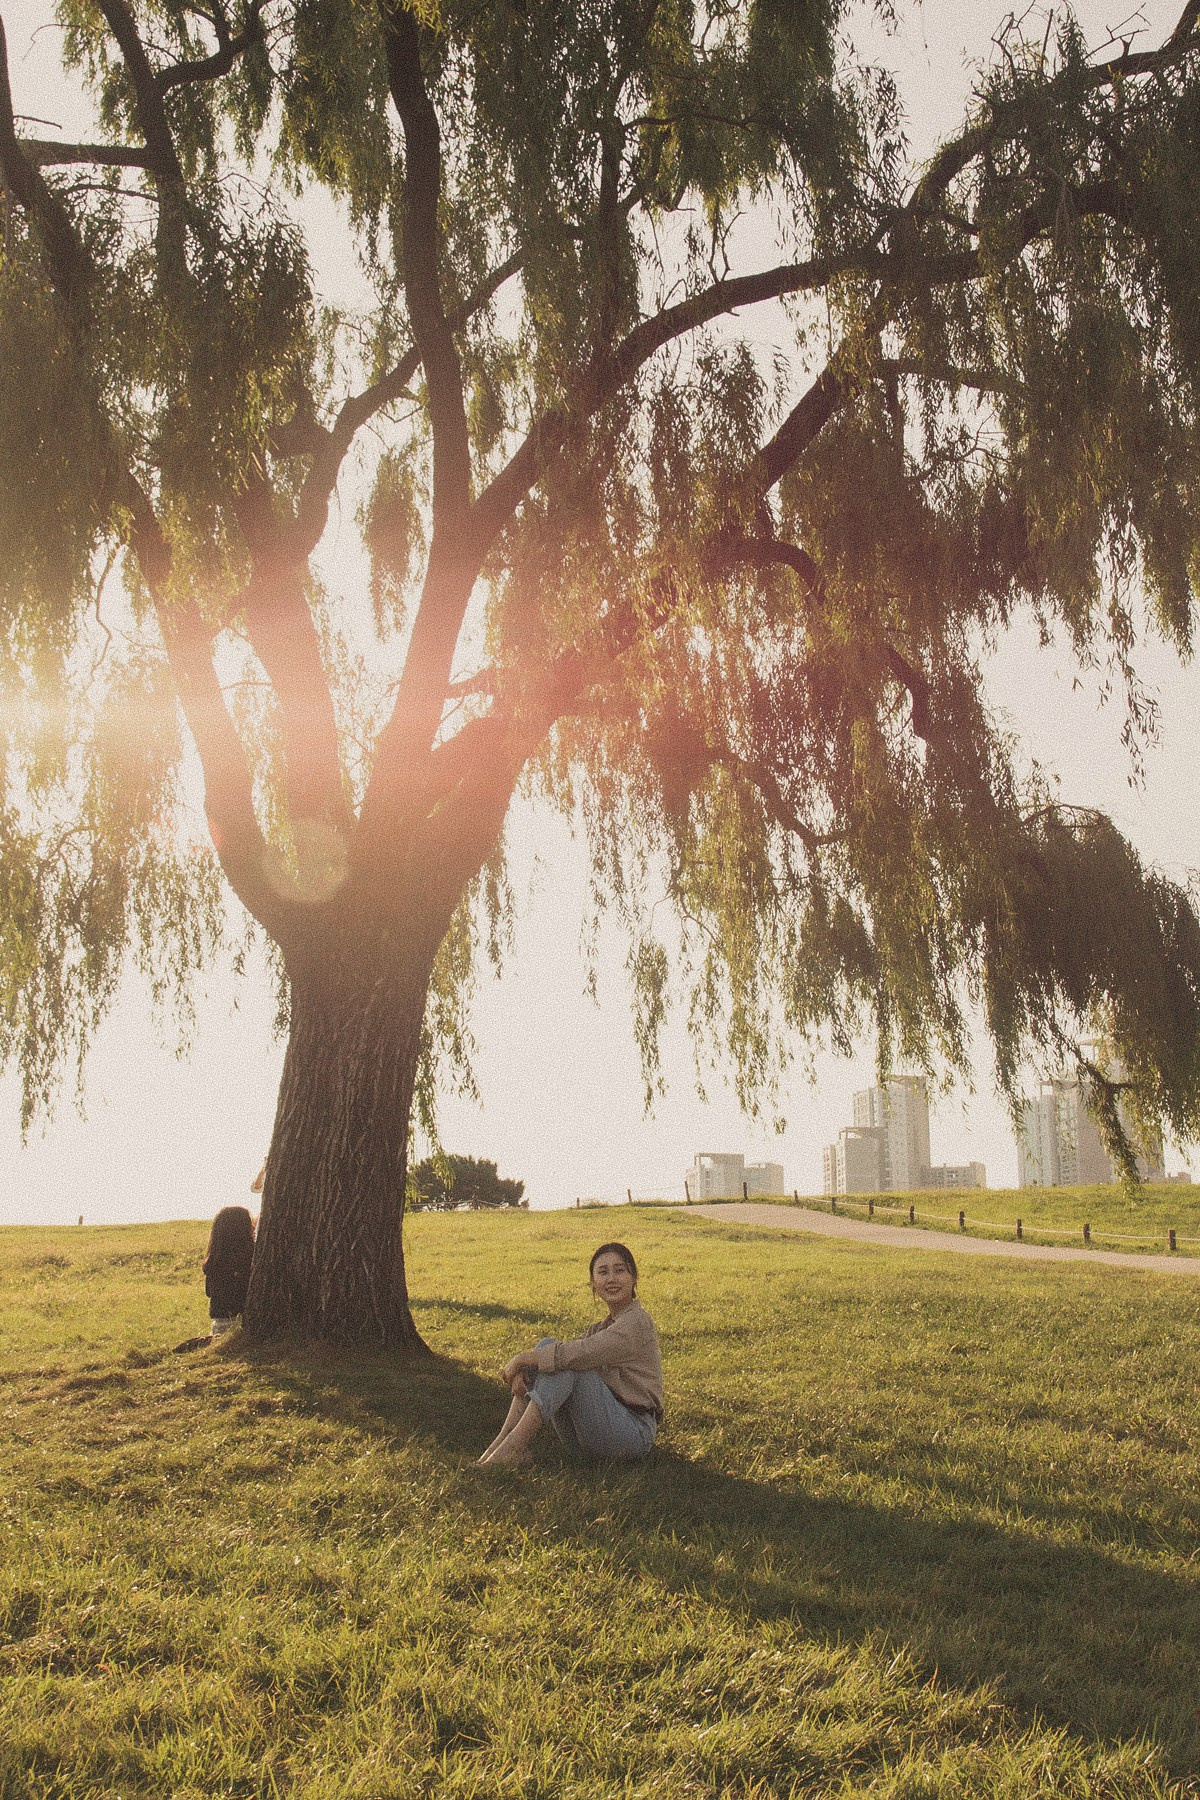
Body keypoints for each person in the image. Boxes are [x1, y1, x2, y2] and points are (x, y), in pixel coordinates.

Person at [478, 1241, 662, 1466]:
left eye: (620, 1270)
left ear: (634, 1278)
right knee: (552, 1351)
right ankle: (499, 1445)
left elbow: (579, 1354)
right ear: (594, 1284)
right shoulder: (600, 1328)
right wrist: (525, 1373)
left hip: (633, 1433)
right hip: (588, 1435)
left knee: (566, 1363)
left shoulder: (637, 1321)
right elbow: (564, 1354)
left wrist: (522, 1359)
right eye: (603, 1272)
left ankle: (512, 1448)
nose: (612, 1279)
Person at [203, 1205, 256, 1338]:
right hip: (243, 1322)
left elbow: (209, 1292)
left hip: (219, 1323)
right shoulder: (251, 1253)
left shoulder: (215, 1258)